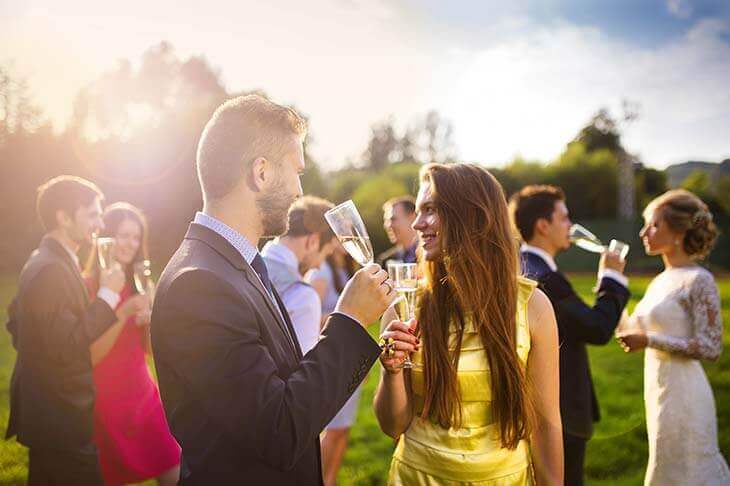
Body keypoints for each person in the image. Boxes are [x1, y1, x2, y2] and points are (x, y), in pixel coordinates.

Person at [150, 94, 396, 485]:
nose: (300, 190)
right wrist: (349, 322)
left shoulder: (240, 262)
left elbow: (281, 383)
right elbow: (278, 431)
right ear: (261, 173)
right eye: (296, 171)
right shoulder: (200, 284)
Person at [374, 163, 563, 485]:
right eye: (418, 211)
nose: (417, 224)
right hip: (417, 477)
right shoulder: (405, 306)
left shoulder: (533, 307)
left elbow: (546, 425)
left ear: (472, 216)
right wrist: (392, 372)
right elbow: (393, 426)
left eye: (430, 209)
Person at [5, 175, 146, 484]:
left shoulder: (47, 260)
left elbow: (15, 319)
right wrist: (108, 296)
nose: (99, 223)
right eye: (92, 214)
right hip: (60, 415)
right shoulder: (51, 268)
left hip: (52, 413)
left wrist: (36, 350)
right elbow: (69, 345)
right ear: (64, 217)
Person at [508, 185, 630, 486]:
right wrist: (612, 277)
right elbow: (597, 327)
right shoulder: (543, 277)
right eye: (564, 218)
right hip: (557, 412)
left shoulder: (522, 267)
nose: (571, 226)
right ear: (543, 225)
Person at [616, 189, 729, 485]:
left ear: (678, 231)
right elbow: (631, 332)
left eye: (653, 225)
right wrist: (611, 284)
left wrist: (650, 341)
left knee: (690, 469)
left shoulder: (699, 280)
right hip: (658, 389)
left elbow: (711, 347)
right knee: (665, 465)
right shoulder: (659, 281)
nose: (643, 232)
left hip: (686, 393)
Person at [82, 202, 180, 486]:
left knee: (174, 464)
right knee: (112, 476)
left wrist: (149, 322)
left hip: (142, 394)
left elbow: (149, 350)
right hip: (105, 400)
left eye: (136, 237)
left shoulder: (142, 285)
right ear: (107, 238)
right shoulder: (89, 286)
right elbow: (92, 356)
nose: (130, 244)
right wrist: (123, 313)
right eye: (124, 235)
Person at [308, 245, 361, 486]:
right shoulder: (322, 272)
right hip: (333, 357)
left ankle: (331, 480)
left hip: (351, 354)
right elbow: (309, 315)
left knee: (344, 430)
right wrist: (348, 316)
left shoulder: (348, 268)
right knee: (333, 429)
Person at [262, 195, 338, 354]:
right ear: (313, 241)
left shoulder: (245, 266)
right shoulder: (302, 296)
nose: (318, 266)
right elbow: (306, 376)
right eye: (325, 254)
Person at [376, 196, 418, 266]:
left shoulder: (430, 256)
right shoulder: (385, 261)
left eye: (393, 219)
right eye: (386, 221)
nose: (387, 225)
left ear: (412, 218)